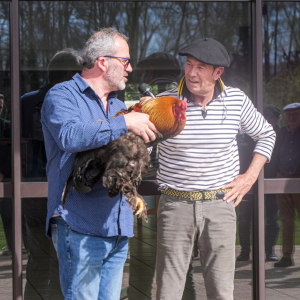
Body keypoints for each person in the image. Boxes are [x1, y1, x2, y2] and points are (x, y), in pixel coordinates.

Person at [151, 38, 276, 300]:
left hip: (220, 204)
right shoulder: (165, 102)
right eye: (189, 64)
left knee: (221, 291)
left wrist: (249, 177)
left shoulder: (236, 100)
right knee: (168, 292)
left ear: (218, 72)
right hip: (175, 206)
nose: (192, 72)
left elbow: (266, 134)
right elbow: (143, 147)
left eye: (201, 67)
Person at [41, 28, 157, 300]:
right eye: (125, 61)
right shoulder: (62, 95)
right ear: (103, 62)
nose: (130, 68)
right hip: (79, 224)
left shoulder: (117, 103)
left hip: (116, 227)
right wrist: (125, 123)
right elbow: (70, 136)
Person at [20, 48, 82, 299]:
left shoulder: (25, 101)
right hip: (61, 192)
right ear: (69, 74)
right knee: (63, 263)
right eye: (79, 75)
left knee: (38, 259)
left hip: (30, 187)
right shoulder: (72, 102)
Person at [236, 104, 281, 262]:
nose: (268, 120)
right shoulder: (246, 137)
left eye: (271, 117)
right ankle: (244, 251)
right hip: (248, 184)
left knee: (272, 219)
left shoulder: (281, 135)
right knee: (244, 219)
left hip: (271, 184)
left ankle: (269, 251)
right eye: (266, 117)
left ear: (276, 119)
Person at [274, 102, 300, 268]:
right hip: (281, 178)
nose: (292, 117)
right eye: (289, 115)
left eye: (295, 114)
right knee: (286, 220)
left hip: (298, 181)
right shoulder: (282, 132)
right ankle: (286, 256)